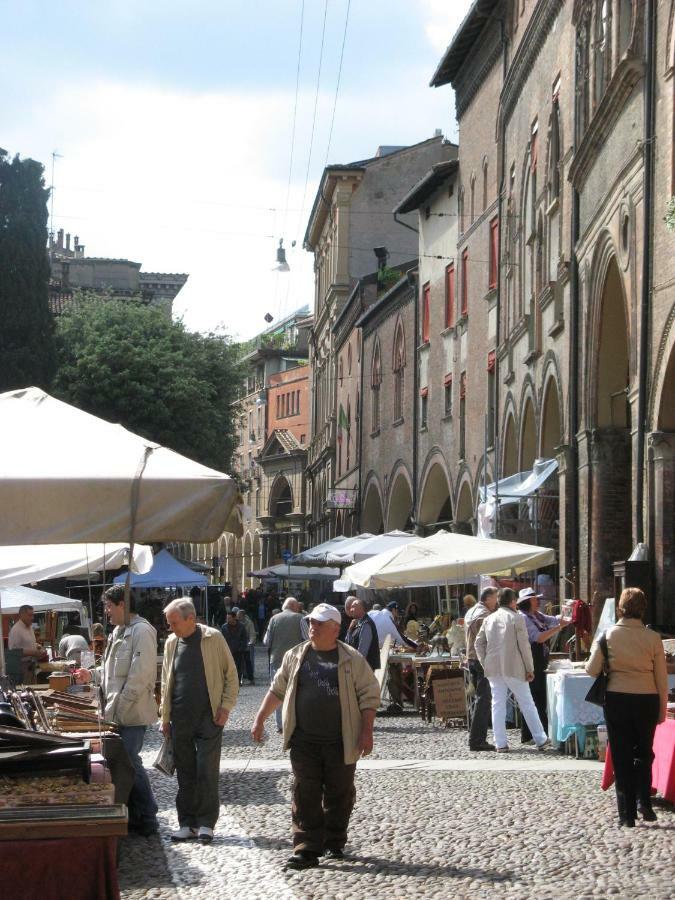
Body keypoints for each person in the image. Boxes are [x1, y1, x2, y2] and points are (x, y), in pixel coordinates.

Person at [251, 603, 380, 870]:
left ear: (336, 628)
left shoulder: (351, 659)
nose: (313, 627)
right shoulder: (295, 656)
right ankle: (306, 848)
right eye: (312, 622)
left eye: (320, 623)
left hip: (341, 739)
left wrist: (366, 732)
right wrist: (260, 718)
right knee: (304, 791)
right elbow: (277, 689)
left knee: (339, 792)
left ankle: (334, 842)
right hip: (304, 739)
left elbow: (369, 697)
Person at [75, 585, 159, 836]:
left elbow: (139, 677)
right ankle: (135, 813)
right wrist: (90, 674)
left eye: (109, 606)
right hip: (116, 712)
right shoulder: (117, 632)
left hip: (130, 714)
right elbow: (109, 671)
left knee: (130, 762)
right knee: (123, 763)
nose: (107, 612)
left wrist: (119, 709)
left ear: (122, 605)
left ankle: (148, 816)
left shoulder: (141, 631)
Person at [586, 587, 668, 827]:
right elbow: (662, 679)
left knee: (621, 755)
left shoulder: (608, 635)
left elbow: (591, 670)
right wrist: (662, 710)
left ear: (620, 607)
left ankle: (627, 814)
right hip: (647, 699)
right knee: (644, 752)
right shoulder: (652, 638)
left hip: (617, 698)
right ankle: (645, 803)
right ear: (643, 608)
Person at [161, 597, 239, 843]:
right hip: (181, 718)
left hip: (209, 717)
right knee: (185, 773)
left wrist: (225, 708)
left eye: (174, 623)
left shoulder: (213, 638)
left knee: (206, 770)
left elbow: (231, 675)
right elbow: (166, 680)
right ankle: (187, 823)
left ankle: (206, 823)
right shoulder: (172, 643)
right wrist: (164, 716)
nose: (170, 628)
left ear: (190, 619)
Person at [474, 587, 549, 753]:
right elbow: (524, 646)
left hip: (493, 667)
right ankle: (540, 738)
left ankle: (500, 743)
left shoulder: (489, 619)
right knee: (527, 702)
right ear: (513, 601)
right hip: (514, 666)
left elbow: (478, 643)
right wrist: (530, 668)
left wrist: (484, 661)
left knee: (497, 704)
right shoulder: (516, 618)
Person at [517, 587, 570, 744]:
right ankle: (533, 734)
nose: (538, 601)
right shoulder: (525, 619)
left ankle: (532, 734)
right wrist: (559, 628)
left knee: (537, 695)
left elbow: (552, 619)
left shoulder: (536, 615)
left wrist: (568, 615)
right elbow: (538, 638)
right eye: (534, 599)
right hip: (531, 658)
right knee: (534, 695)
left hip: (539, 658)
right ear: (528, 602)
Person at [464, 587, 498, 751]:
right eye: (495, 598)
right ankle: (477, 740)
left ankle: (476, 737)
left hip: (471, 658)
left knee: (480, 699)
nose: (497, 601)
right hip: (480, 660)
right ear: (489, 598)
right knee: (483, 700)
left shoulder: (471, 611)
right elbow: (488, 640)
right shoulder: (484, 615)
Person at [264, 597, 304, 731]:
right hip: (296, 661)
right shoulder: (300, 618)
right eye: (298, 606)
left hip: (276, 660)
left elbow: (266, 641)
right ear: (293, 606)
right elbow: (308, 639)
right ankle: (293, 722)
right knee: (296, 692)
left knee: (277, 691)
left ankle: (280, 724)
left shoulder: (274, 619)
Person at [8, 604, 44, 681]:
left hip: (31, 665)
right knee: (25, 691)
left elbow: (29, 643)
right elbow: (14, 651)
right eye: (29, 615)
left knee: (33, 690)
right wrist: (34, 653)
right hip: (22, 668)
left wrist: (38, 646)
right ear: (21, 615)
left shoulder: (30, 627)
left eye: (33, 615)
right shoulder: (16, 630)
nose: (32, 618)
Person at [344, 596, 381, 671]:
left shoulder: (366, 624)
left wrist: (354, 667)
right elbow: (347, 643)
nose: (351, 610)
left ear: (361, 608)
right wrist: (350, 629)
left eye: (353, 607)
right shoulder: (358, 623)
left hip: (364, 670)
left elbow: (362, 652)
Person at [221, 609, 249, 684]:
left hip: (238, 650)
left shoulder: (241, 626)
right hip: (228, 650)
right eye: (227, 618)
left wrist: (242, 648)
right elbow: (222, 639)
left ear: (234, 618)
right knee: (228, 667)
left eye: (229, 618)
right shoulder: (224, 627)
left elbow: (244, 638)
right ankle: (229, 681)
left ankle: (238, 681)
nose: (227, 620)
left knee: (239, 667)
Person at [237, 607, 257, 685]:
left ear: (243, 616)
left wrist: (251, 642)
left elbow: (252, 634)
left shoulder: (249, 623)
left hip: (246, 644)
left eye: (239, 616)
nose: (238, 617)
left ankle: (251, 678)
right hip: (238, 645)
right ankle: (239, 678)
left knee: (248, 662)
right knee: (239, 663)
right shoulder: (236, 623)